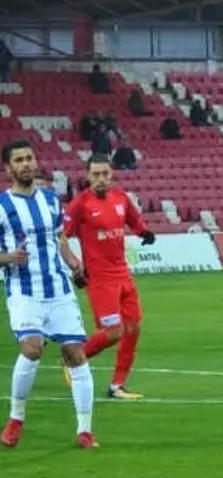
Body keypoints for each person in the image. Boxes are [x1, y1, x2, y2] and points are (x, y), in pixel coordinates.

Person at [0, 138, 97, 448]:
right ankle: (16, 419)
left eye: (29, 158)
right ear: (8, 168)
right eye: (19, 160)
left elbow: (60, 238)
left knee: (76, 355)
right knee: (32, 348)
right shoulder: (2, 206)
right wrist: (7, 258)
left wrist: (74, 263)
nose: (26, 164)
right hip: (24, 289)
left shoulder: (51, 200)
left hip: (58, 288)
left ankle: (85, 430)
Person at [63, 155, 156, 400]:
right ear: (87, 176)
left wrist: (143, 232)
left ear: (112, 173)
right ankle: (73, 358)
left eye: (105, 173)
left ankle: (117, 386)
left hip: (123, 273)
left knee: (134, 327)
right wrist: (75, 265)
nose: (101, 179)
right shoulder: (80, 204)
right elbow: (60, 236)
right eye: (96, 174)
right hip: (101, 279)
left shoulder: (120, 198)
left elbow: (134, 220)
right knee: (114, 332)